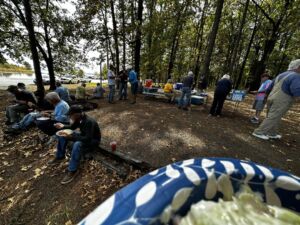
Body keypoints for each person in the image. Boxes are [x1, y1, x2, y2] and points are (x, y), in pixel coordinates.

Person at [50, 105, 101, 184]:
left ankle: (73, 170)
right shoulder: (79, 118)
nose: (70, 117)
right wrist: (63, 126)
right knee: (62, 135)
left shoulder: (88, 122)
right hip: (84, 137)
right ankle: (60, 156)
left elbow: (88, 138)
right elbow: (72, 127)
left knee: (77, 144)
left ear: (78, 113)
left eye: (71, 115)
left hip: (93, 141)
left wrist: (73, 136)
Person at [252, 59, 300, 140]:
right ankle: (258, 132)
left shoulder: (281, 74)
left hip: (271, 97)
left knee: (275, 116)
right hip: (282, 99)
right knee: (274, 116)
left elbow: (270, 86)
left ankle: (272, 133)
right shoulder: (296, 76)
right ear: (299, 67)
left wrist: (266, 96)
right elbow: (296, 89)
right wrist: (298, 98)